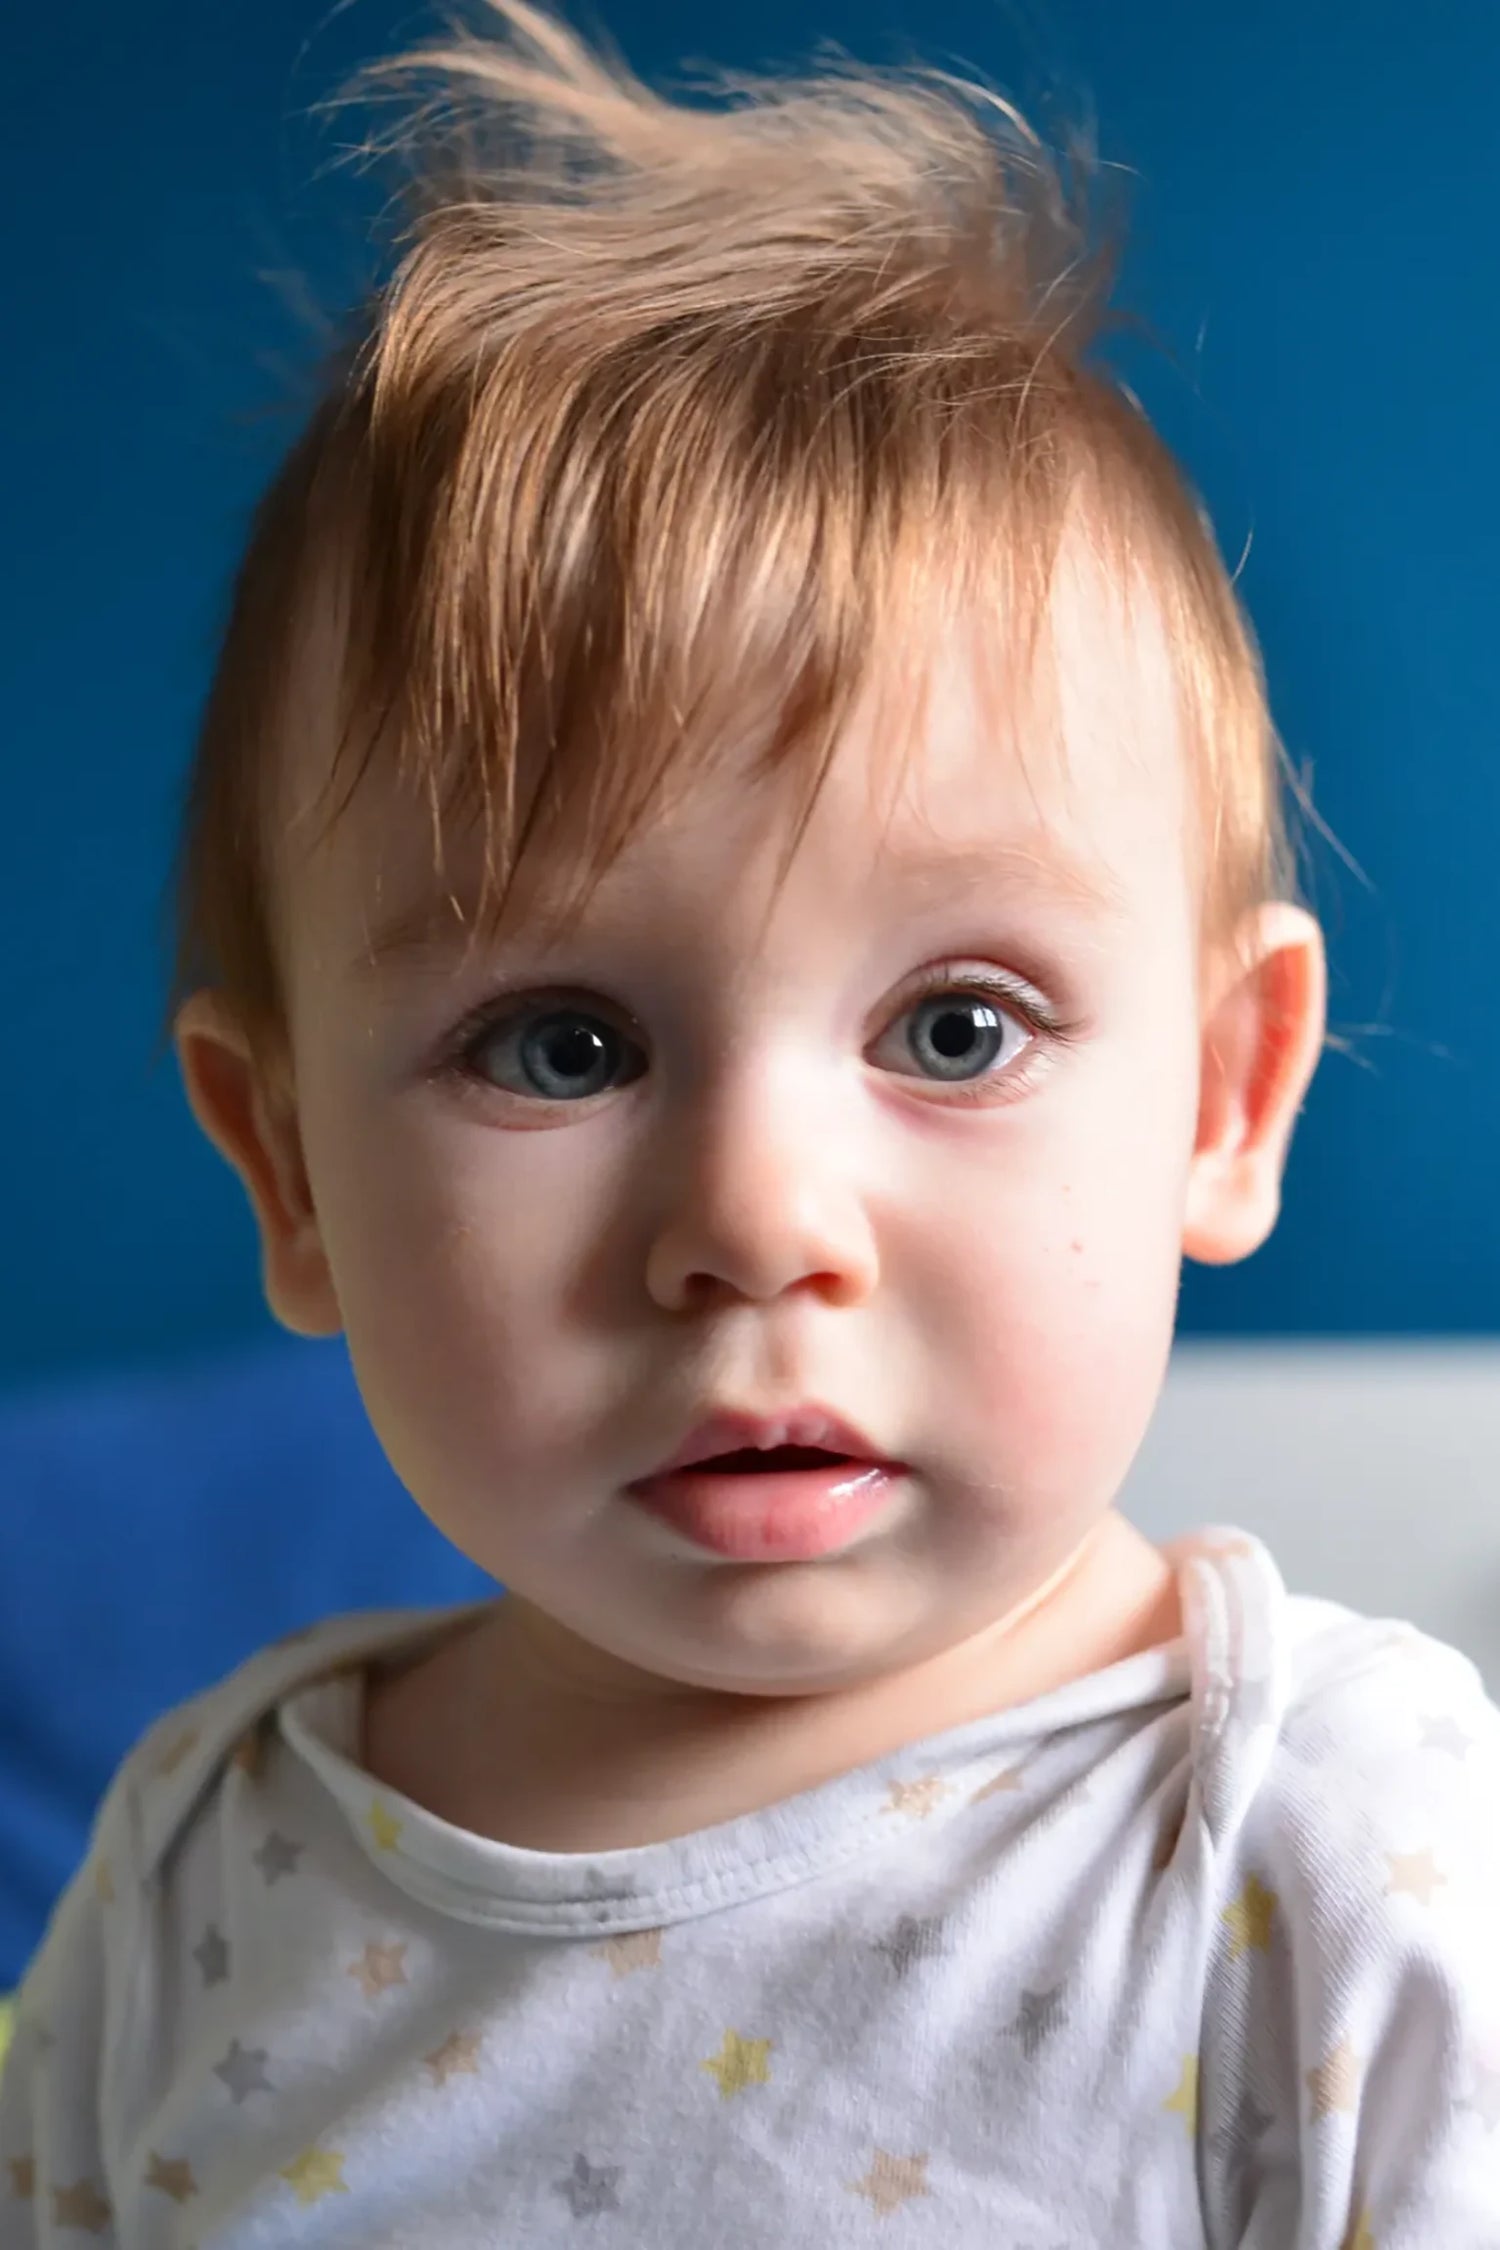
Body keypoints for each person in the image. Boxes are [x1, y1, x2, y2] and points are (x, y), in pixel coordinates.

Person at [4, 4, 1497, 2240]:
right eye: (562, 1047)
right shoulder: (205, 1860)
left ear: (1223, 1095)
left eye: (960, 1028)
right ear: (290, 1166)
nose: (757, 1223)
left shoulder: (1324, 1855)